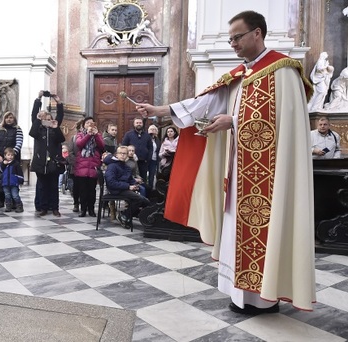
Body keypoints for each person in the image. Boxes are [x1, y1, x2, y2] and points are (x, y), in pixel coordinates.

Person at [137, 10, 315, 314]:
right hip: (238, 175)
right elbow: (203, 103)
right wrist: (158, 110)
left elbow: (280, 123)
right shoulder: (240, 75)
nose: (232, 43)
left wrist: (232, 120)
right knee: (235, 230)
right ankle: (240, 294)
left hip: (272, 180)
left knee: (267, 232)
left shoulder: (283, 71)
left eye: (237, 37)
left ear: (257, 33)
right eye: (230, 38)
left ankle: (265, 295)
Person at [30, 91, 65, 217]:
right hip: (41, 162)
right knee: (43, 187)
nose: (48, 121)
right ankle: (43, 208)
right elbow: (34, 115)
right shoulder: (38, 130)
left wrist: (58, 102)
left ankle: (55, 208)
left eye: (50, 119)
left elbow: (61, 138)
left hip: (53, 163)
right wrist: (38, 98)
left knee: (54, 186)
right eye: (46, 120)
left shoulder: (55, 130)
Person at [104, 145, 151, 229]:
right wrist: (128, 187)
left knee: (146, 201)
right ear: (116, 155)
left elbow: (129, 179)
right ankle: (124, 215)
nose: (122, 155)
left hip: (125, 188)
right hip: (116, 190)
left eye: (125, 153)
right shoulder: (112, 166)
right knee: (139, 199)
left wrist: (135, 185)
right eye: (120, 153)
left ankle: (129, 214)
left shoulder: (125, 166)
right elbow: (111, 183)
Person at [0, 111, 24, 208]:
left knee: (13, 179)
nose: (9, 120)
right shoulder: (0, 130)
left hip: (13, 160)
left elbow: (19, 143)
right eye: (7, 118)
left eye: (11, 118)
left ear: (14, 119)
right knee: (1, 179)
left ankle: (14, 201)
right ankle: (1, 199)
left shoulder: (17, 130)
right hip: (0, 158)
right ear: (4, 119)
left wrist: (10, 156)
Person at [74, 117, 104, 217]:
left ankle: (91, 209)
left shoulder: (98, 135)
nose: (89, 125)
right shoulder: (80, 135)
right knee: (82, 190)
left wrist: (95, 135)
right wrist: (88, 135)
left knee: (92, 190)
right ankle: (83, 209)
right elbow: (79, 144)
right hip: (82, 166)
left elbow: (102, 146)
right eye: (87, 123)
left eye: (92, 123)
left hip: (93, 167)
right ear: (84, 125)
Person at [122, 117, 152, 181]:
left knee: (143, 179)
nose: (139, 124)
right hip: (131, 161)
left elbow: (150, 148)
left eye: (140, 123)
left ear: (142, 124)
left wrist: (148, 158)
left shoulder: (147, 135)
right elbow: (124, 146)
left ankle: (143, 190)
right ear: (134, 124)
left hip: (143, 162)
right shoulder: (128, 134)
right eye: (137, 123)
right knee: (132, 178)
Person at [0, 147, 24, 212]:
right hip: (5, 183)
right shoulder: (3, 164)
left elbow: (20, 173)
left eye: (12, 155)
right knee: (7, 195)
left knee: (15, 195)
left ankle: (19, 206)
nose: (10, 156)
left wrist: (20, 181)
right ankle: (8, 206)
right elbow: (0, 170)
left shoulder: (16, 164)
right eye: (8, 155)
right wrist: (3, 164)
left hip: (14, 183)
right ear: (5, 156)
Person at [147, 124, 161, 188]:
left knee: (152, 176)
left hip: (154, 160)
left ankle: (151, 189)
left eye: (154, 130)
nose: (153, 131)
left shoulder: (157, 140)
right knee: (145, 175)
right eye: (151, 129)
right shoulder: (146, 138)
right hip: (147, 159)